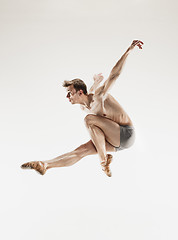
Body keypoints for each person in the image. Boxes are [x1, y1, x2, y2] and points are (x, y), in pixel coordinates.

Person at [21, 40, 144, 177]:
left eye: (70, 93)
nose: (68, 97)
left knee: (89, 120)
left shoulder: (99, 97)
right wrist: (95, 81)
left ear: (80, 92)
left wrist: (128, 50)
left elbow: (114, 75)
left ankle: (104, 160)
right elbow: (90, 89)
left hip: (126, 134)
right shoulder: (85, 107)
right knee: (81, 150)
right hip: (114, 141)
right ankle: (45, 165)